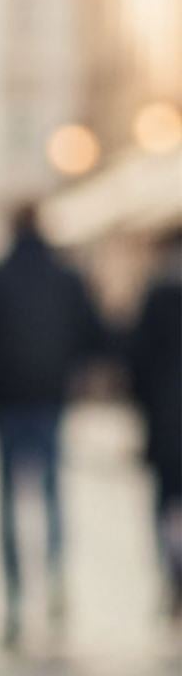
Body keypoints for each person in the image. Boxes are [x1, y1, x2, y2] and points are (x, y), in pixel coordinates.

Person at [0, 204, 104, 649]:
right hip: (49, 398)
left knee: (8, 502)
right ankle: (56, 581)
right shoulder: (67, 279)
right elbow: (92, 334)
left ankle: (15, 595)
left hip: (7, 401)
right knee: (50, 496)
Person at [125, 228, 182, 625]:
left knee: (166, 505)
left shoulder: (158, 296)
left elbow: (138, 363)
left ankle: (174, 575)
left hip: (167, 420)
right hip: (165, 416)